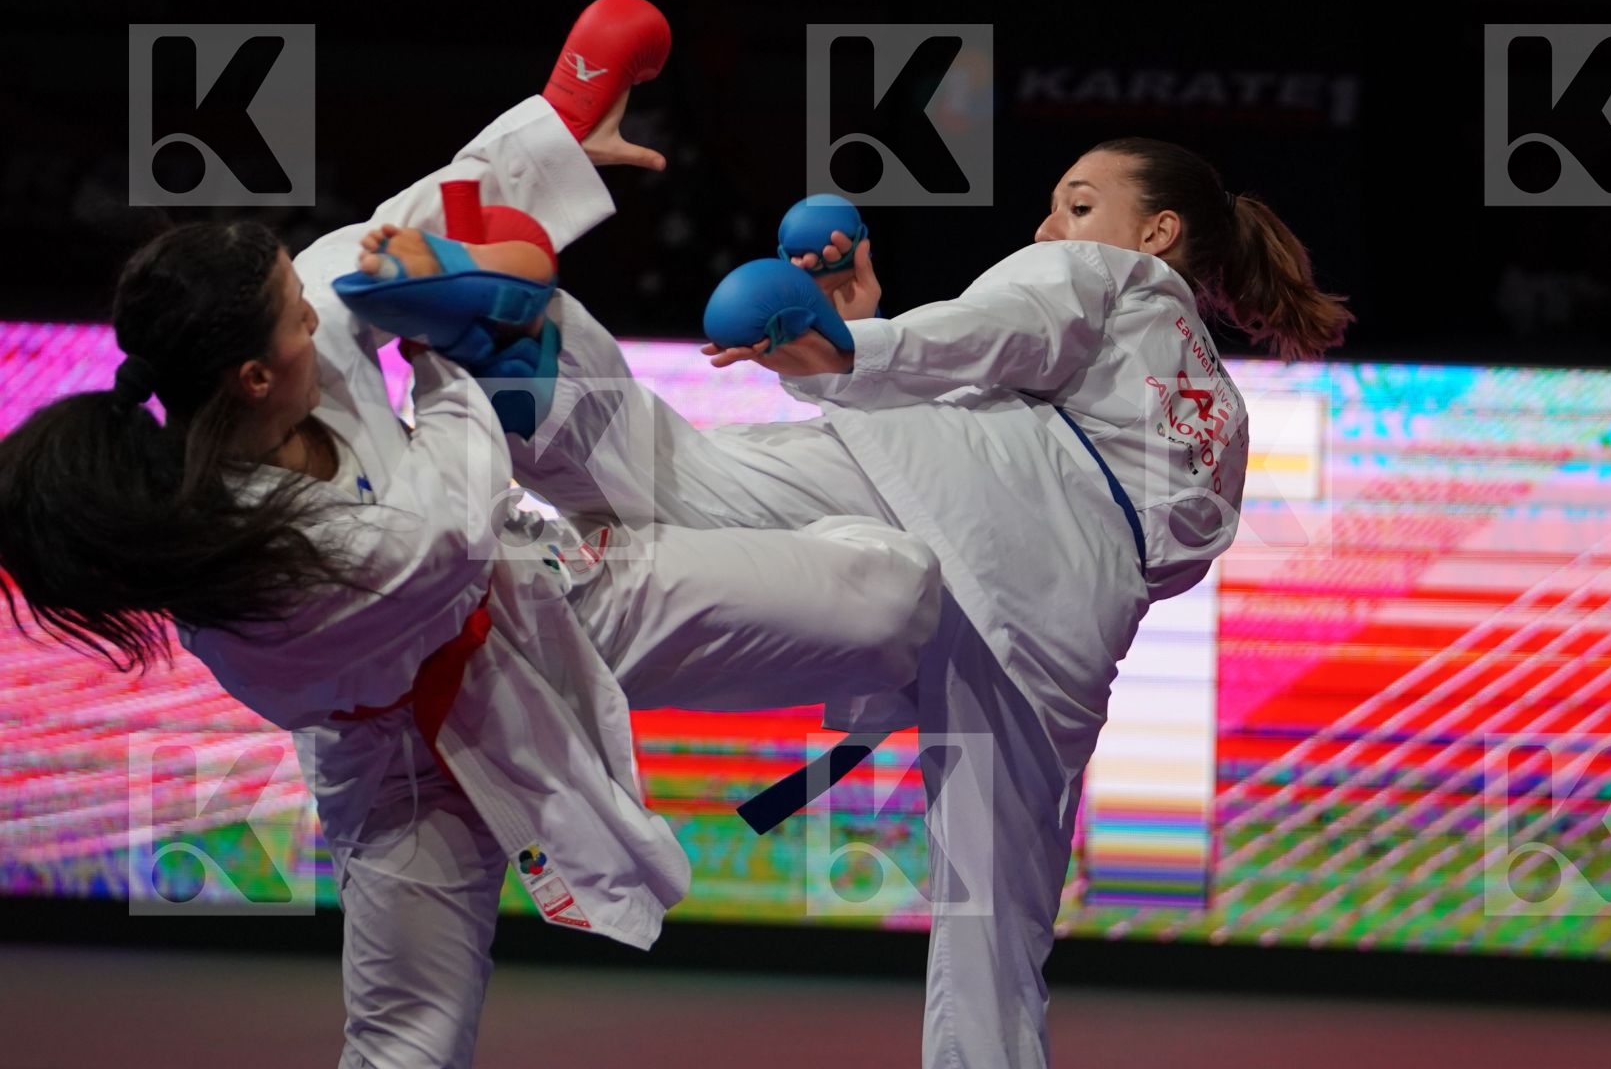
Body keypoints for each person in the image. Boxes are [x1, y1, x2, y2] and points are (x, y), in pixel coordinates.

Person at [0, 76, 942, 1067]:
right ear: (253, 377)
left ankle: (891, 556)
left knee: (890, 598)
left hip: (546, 607)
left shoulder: (293, 335)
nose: (315, 317)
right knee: (409, 1046)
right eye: (293, 317)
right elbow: (449, 523)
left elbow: (404, 220)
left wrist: (564, 126)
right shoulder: (258, 561)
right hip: (399, 769)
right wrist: (447, 339)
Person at [376, 134, 1351, 1067]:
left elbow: (998, 328)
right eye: (1055, 208)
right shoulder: (1224, 419)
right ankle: (540, 457)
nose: (1052, 228)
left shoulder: (1110, 275)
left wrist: (854, 346)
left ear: (1158, 234)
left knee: (689, 481)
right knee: (997, 947)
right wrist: (869, 344)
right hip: (1056, 650)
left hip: (959, 495)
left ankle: (528, 357)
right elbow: (1167, 552)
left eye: (1081, 204)